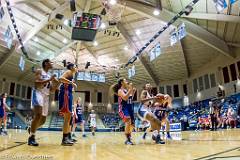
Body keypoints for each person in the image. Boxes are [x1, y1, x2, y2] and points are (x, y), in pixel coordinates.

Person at [28, 59, 57, 146]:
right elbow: (36, 83)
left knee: (43, 120)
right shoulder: (39, 71)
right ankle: (31, 138)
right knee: (38, 115)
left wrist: (58, 83)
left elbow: (52, 90)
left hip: (46, 96)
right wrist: (50, 80)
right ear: (45, 63)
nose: (52, 63)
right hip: (38, 93)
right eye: (50, 62)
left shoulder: (49, 75)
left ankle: (31, 128)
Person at [111, 78, 136, 145]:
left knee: (133, 124)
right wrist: (130, 90)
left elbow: (130, 99)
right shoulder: (120, 90)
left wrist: (133, 92)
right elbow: (125, 98)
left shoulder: (126, 90)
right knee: (128, 120)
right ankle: (127, 139)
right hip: (123, 108)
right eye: (125, 80)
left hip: (130, 107)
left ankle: (129, 136)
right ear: (122, 82)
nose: (127, 81)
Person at [59, 62, 78, 146]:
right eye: (75, 66)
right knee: (67, 116)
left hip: (68, 93)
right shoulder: (69, 72)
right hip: (65, 94)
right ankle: (64, 139)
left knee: (69, 117)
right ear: (71, 67)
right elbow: (60, 78)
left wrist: (71, 86)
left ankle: (68, 136)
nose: (77, 67)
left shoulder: (72, 75)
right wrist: (72, 83)